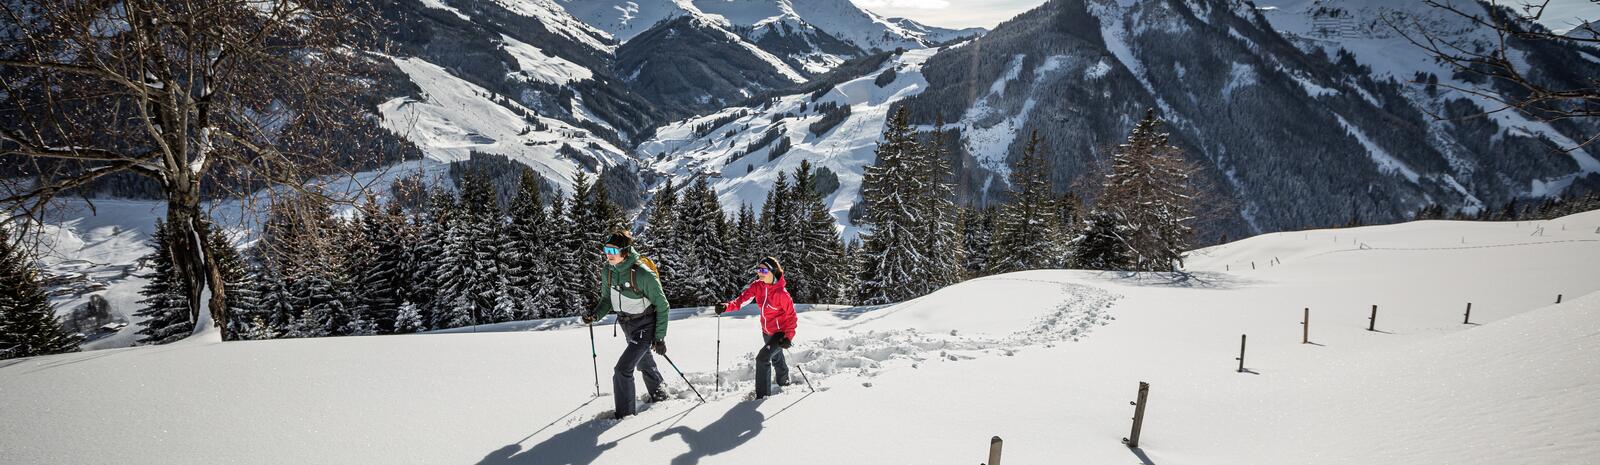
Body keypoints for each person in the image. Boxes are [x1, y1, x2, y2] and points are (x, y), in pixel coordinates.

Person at [582, 231, 671, 419]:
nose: (608, 254)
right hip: (626, 324)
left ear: (625, 251)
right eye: (606, 249)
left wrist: (659, 337)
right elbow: (607, 299)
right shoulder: (608, 271)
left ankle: (625, 416)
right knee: (644, 363)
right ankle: (661, 395)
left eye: (613, 250)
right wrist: (595, 315)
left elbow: (663, 305)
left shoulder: (642, 274)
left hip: (646, 324)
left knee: (622, 369)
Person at [721, 256, 797, 399]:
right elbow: (741, 301)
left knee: (762, 359)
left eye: (763, 270)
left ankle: (762, 396)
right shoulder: (757, 286)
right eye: (758, 269)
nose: (759, 273)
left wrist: (788, 337)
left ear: (772, 271)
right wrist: (726, 307)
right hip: (766, 331)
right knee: (776, 357)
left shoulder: (782, 294)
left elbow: (791, 317)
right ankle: (784, 381)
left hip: (780, 333)